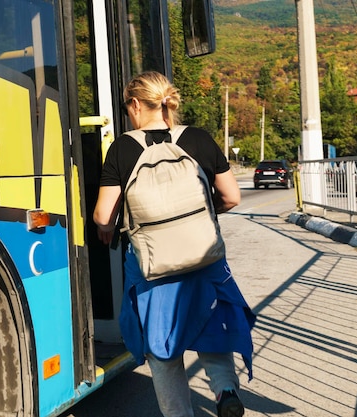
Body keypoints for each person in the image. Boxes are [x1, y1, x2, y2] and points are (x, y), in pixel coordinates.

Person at [93, 71, 255, 417]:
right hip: (204, 258)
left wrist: (110, 227)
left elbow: (103, 215)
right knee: (212, 324)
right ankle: (225, 390)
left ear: (135, 104)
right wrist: (200, 217)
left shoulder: (123, 147)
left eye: (127, 107)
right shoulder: (198, 138)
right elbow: (231, 197)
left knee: (162, 348)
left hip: (155, 268)